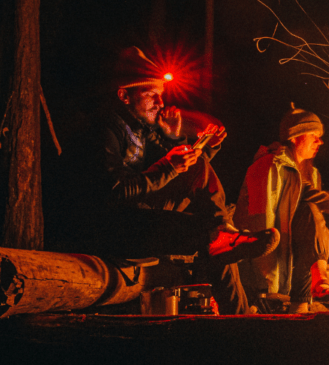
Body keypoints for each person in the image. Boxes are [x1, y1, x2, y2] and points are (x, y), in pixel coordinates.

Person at [67, 47, 279, 315]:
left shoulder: (142, 129)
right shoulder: (104, 128)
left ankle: (224, 245)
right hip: (107, 228)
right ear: (124, 95)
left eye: (161, 96)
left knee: (204, 188)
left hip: (137, 215)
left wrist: (180, 140)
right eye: (151, 94)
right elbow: (114, 190)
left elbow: (187, 172)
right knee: (210, 238)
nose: (160, 103)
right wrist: (169, 165)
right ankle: (234, 306)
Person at [235, 103, 329, 313]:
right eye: (313, 135)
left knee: (311, 213)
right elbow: (261, 221)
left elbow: (309, 208)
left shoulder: (311, 173)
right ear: (293, 136)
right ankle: (318, 284)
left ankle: (309, 291)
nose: (320, 141)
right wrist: (267, 285)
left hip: (294, 271)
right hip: (261, 275)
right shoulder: (269, 166)